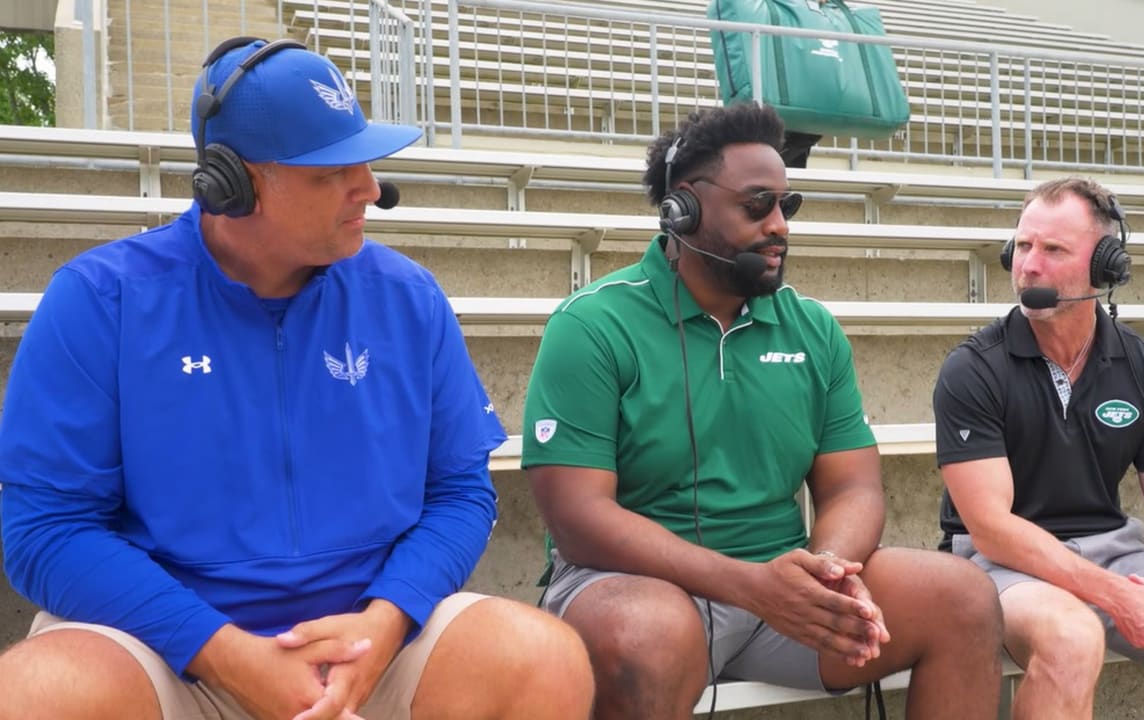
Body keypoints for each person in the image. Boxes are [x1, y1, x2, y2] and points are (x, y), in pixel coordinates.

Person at [0, 38, 592, 720]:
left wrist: (387, 620)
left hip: (372, 646)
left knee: (540, 660)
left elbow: (459, 492)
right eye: (329, 173)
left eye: (364, 161)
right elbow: (45, 532)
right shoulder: (101, 300)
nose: (370, 189)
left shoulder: (408, 297)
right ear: (232, 182)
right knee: (40, 694)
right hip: (171, 654)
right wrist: (221, 650)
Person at [521, 102, 1002, 720]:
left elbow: (854, 486)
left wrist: (824, 574)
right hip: (634, 585)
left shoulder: (811, 326)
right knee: (648, 637)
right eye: (757, 205)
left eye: (787, 205)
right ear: (683, 208)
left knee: (961, 595)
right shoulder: (592, 323)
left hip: (784, 586)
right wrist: (752, 585)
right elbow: (578, 519)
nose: (780, 225)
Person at [934, 176, 1144, 720]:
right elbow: (991, 528)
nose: (1028, 266)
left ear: (1105, 269)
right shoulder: (972, 368)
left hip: (1112, 553)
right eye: (1023, 246)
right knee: (1072, 639)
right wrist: (1121, 598)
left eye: (1052, 250)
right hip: (999, 565)